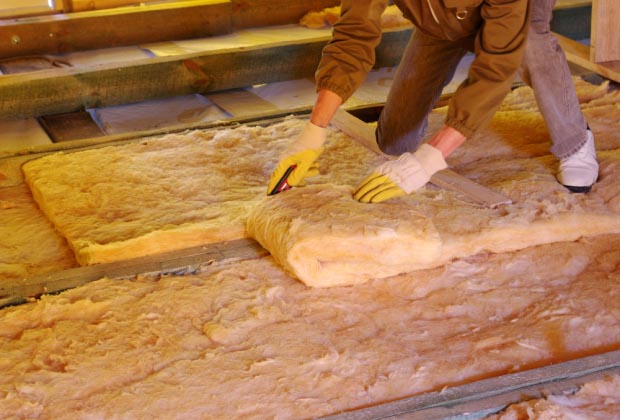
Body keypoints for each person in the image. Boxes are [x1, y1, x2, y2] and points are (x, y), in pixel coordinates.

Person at [267, 0, 598, 203]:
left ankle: (575, 141)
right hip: (440, 22)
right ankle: (445, 32)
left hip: (515, 20)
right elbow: (353, 36)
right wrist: (314, 130)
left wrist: (430, 158)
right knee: (395, 141)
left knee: (530, 44)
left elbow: (496, 67)